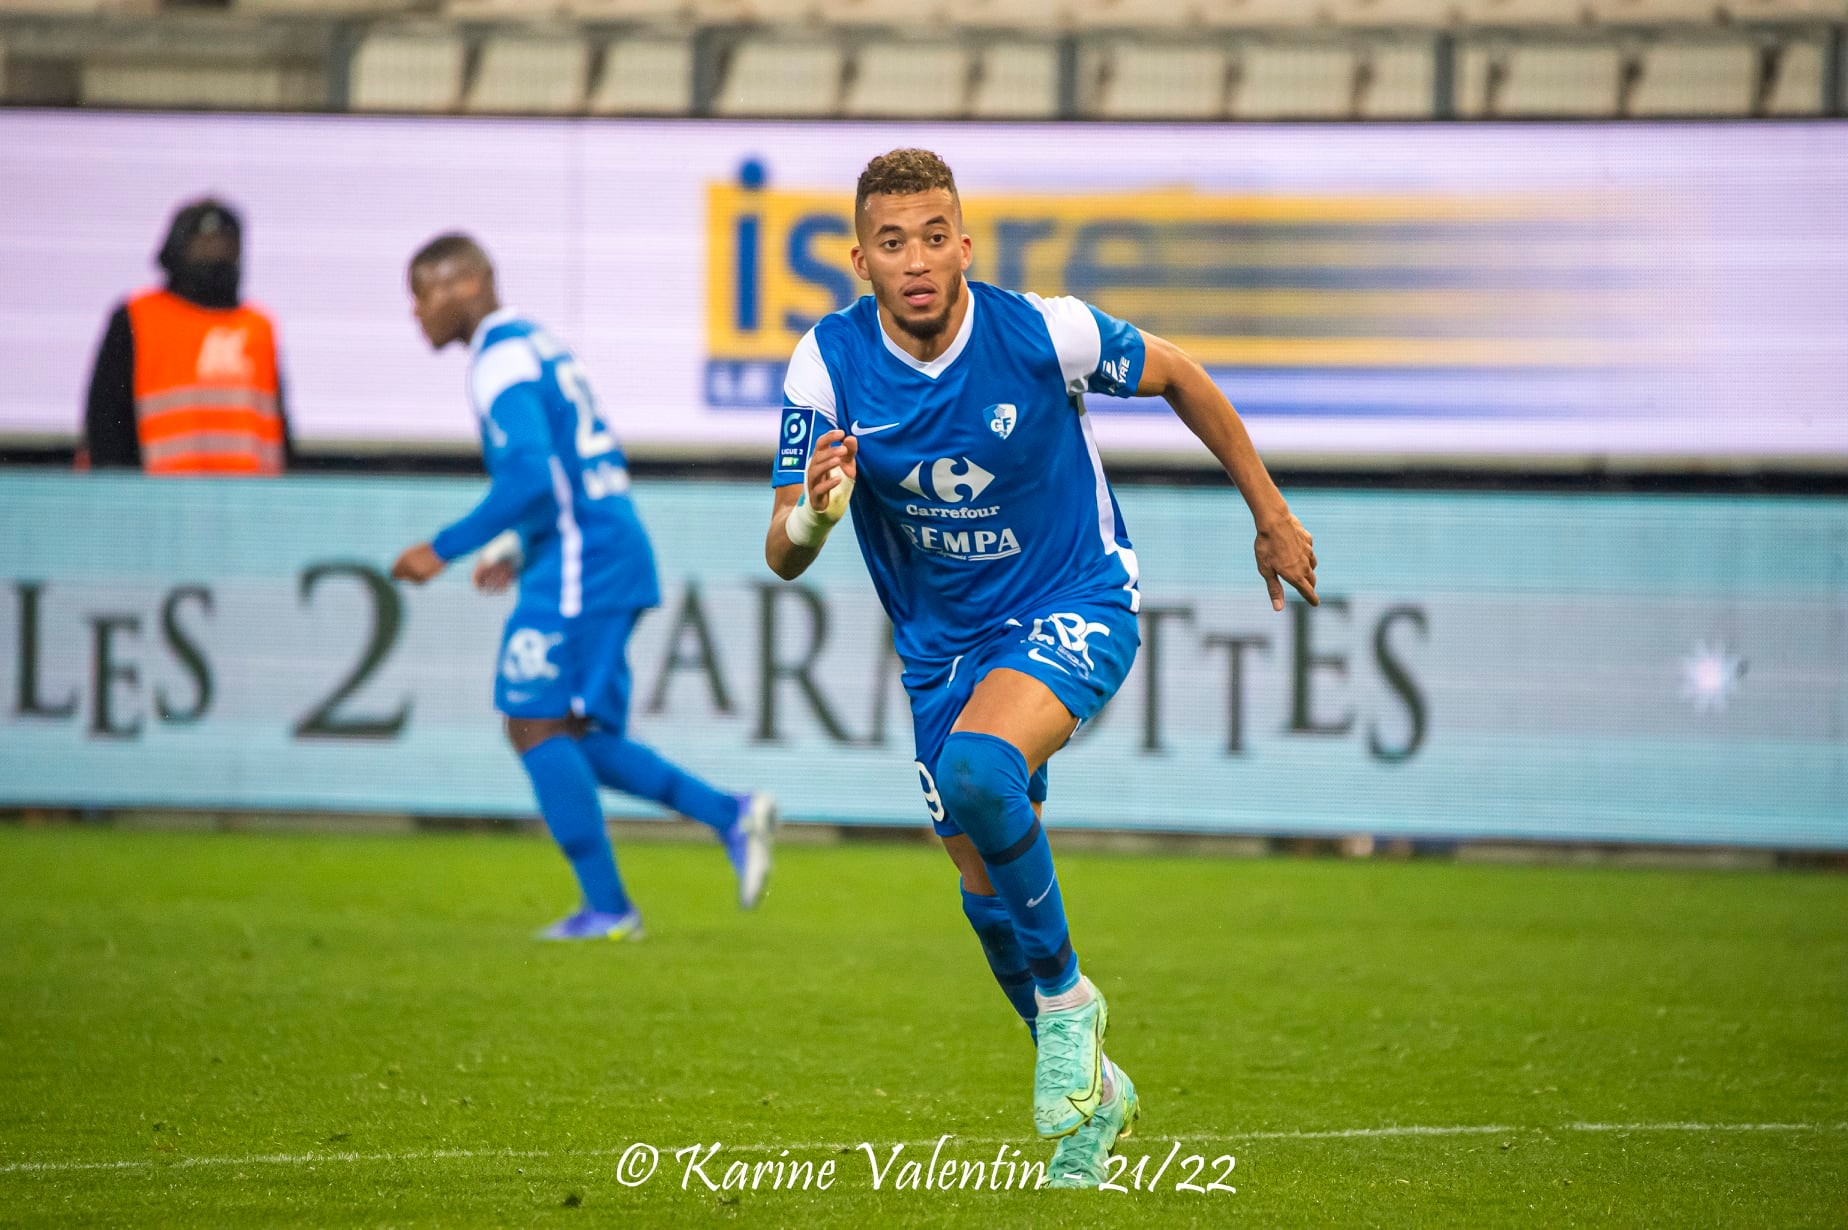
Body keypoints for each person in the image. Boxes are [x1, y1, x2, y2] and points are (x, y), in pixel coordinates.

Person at [763, 150, 1318, 1187]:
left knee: (981, 774)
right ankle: (1092, 1107)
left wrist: (1270, 512)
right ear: (860, 261)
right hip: (941, 651)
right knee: (981, 891)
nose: (918, 260)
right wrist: (815, 513)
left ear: (966, 246)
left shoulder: (1041, 333)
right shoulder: (827, 366)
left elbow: (1182, 376)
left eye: (936, 236)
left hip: (1077, 598)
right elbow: (781, 553)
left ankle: (1071, 1004)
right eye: (893, 243)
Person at [391, 233, 774, 941]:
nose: (415, 312)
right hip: (592, 548)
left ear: (466, 284)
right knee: (573, 734)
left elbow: (532, 476)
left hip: (583, 559)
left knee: (533, 720)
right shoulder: (534, 344)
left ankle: (609, 909)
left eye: (422, 292)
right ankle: (729, 814)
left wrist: (441, 548)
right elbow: (566, 469)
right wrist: (513, 543)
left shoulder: (499, 360)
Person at [83, 197, 295, 474]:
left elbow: (277, 427)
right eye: (203, 242)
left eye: (225, 242)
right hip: (160, 500)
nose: (215, 252)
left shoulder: (258, 326)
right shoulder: (138, 317)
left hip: (247, 501)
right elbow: (107, 419)